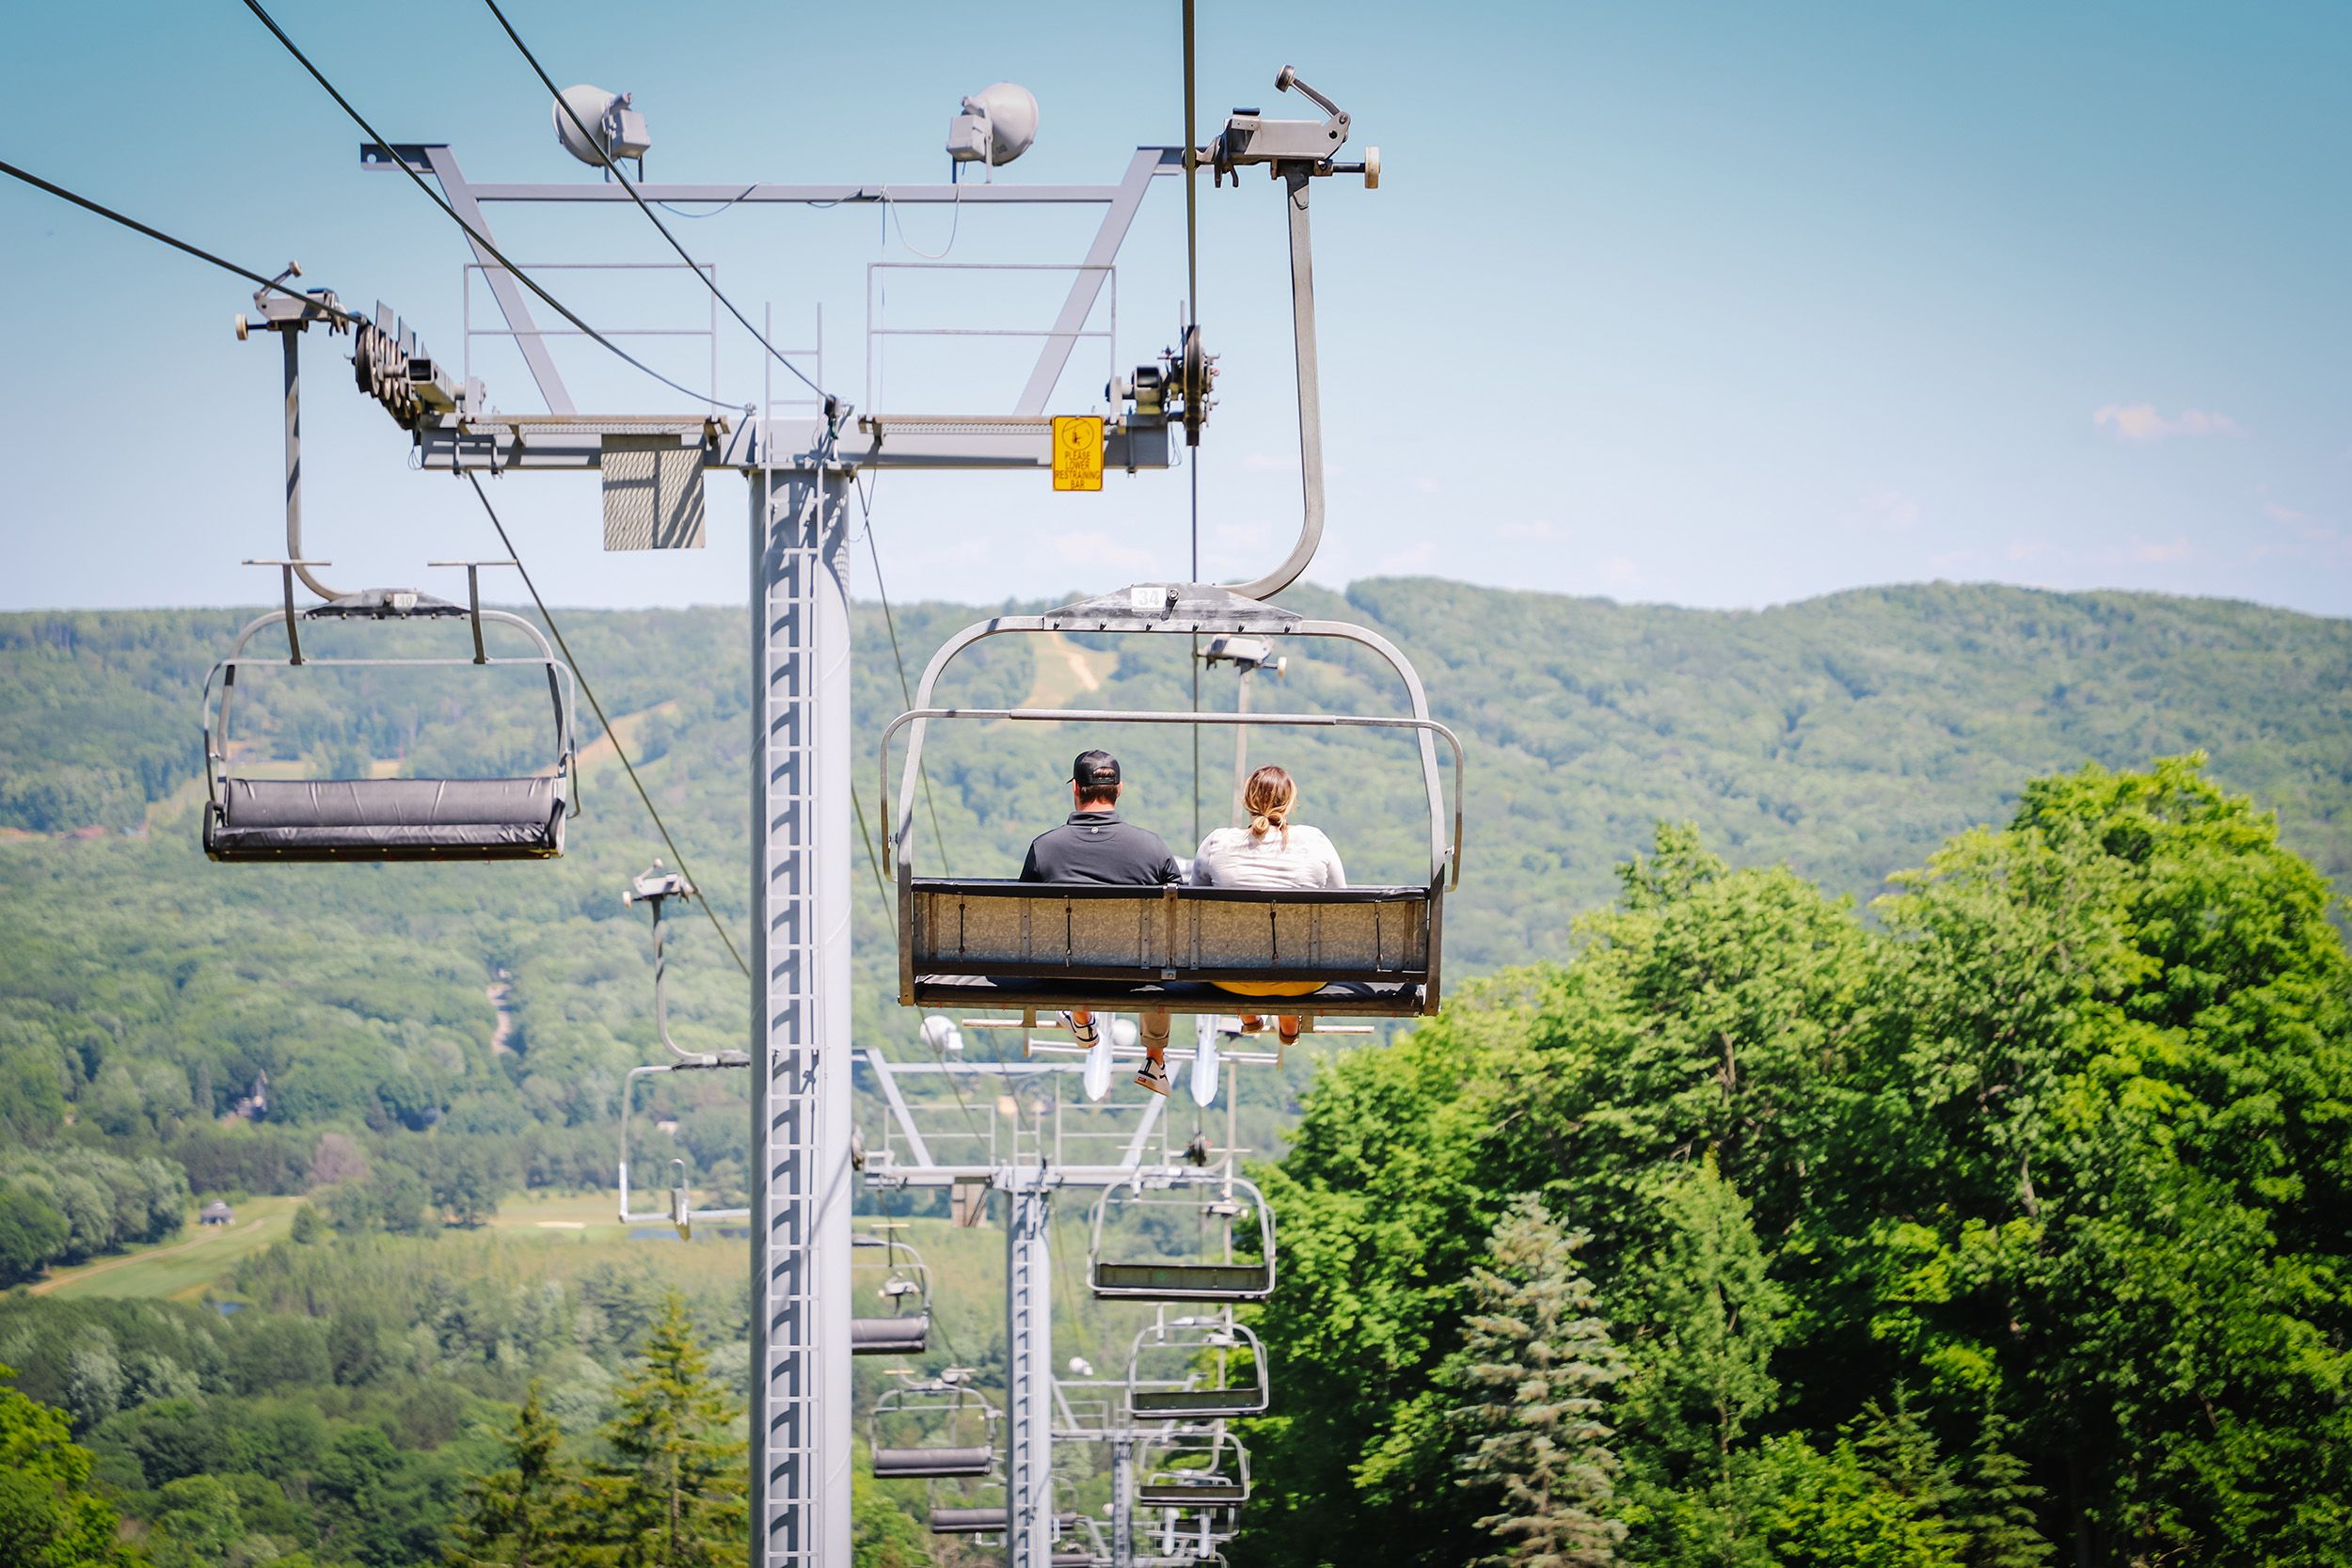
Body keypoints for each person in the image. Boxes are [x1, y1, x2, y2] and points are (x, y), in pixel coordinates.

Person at [1020, 749, 1180, 1095]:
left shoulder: (1044, 848)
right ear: (1119, 790)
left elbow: (1025, 919)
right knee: (1163, 955)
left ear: (1076, 789)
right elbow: (1178, 920)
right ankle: (1154, 1058)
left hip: (1063, 975)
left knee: (1073, 943)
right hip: (1135, 978)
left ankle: (1080, 1014)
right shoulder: (1151, 847)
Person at [1189, 764, 1344, 1046]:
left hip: (1229, 978)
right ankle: (1287, 1011)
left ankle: (1248, 1013)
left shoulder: (1217, 842)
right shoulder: (1315, 841)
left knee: (1234, 945)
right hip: (1303, 979)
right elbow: (1342, 906)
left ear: (1247, 800)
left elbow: (1193, 912)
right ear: (1289, 803)